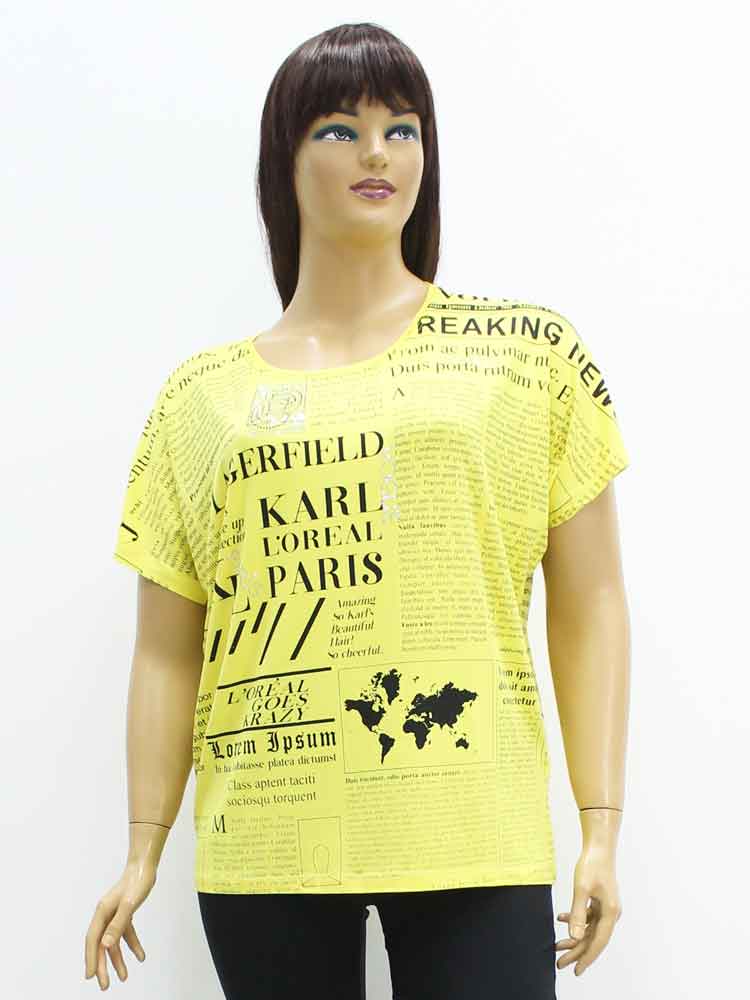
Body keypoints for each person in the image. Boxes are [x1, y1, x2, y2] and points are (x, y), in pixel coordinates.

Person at [84, 21, 630, 999]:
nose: (377, 152)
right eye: (339, 128)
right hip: (267, 837)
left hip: (470, 826)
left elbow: (590, 603)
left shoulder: (524, 357)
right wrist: (141, 848)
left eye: (402, 128)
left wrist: (601, 827)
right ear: (284, 163)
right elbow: (167, 647)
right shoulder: (200, 400)